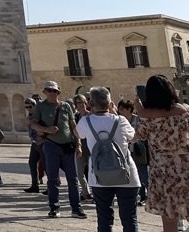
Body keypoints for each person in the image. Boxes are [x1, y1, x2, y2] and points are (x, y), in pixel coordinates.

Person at [76, 86, 139, 232]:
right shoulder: (121, 120)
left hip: (99, 176)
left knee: (104, 218)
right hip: (126, 174)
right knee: (130, 218)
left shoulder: (86, 122)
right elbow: (134, 137)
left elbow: (77, 133)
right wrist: (114, 113)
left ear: (91, 103)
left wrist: (89, 114)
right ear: (110, 103)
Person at [134, 74, 189, 232]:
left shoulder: (147, 118)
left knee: (169, 220)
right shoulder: (184, 111)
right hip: (185, 170)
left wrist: (140, 110)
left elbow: (137, 136)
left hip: (162, 173)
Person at [31, 80, 87, 219]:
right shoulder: (41, 106)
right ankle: (54, 207)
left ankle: (76, 208)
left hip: (68, 145)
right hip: (51, 145)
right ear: (45, 92)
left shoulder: (66, 106)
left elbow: (73, 126)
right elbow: (33, 124)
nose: (52, 93)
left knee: (73, 179)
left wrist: (78, 143)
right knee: (52, 178)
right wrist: (46, 129)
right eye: (49, 90)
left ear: (58, 92)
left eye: (54, 91)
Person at [118, 99, 149, 205]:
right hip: (127, 151)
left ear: (129, 109)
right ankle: (142, 196)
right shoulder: (120, 121)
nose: (120, 111)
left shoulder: (138, 119)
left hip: (139, 150)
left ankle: (151, 193)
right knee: (134, 173)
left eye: (122, 109)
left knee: (143, 173)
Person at [23, 97, 44, 193]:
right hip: (34, 142)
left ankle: (52, 185)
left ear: (34, 106)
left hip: (42, 142)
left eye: (30, 106)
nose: (28, 109)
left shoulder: (39, 115)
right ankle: (34, 185)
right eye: (26, 107)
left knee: (46, 165)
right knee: (32, 163)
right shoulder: (30, 115)